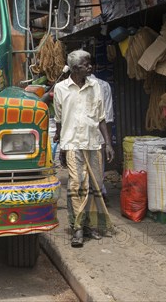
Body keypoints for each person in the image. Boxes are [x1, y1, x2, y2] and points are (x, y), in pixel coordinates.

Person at [53, 50, 114, 248]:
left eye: (90, 63)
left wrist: (108, 143)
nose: (91, 67)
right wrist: (61, 147)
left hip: (93, 143)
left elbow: (101, 116)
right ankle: (77, 229)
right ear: (75, 68)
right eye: (86, 64)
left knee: (94, 185)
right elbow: (59, 120)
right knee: (76, 184)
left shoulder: (95, 85)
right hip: (72, 143)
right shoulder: (61, 89)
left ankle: (90, 226)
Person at [89, 72, 114, 202]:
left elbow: (106, 117)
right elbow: (108, 117)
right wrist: (108, 141)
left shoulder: (102, 86)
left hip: (84, 136)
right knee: (98, 166)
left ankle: (96, 194)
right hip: (98, 135)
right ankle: (98, 192)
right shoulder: (104, 85)